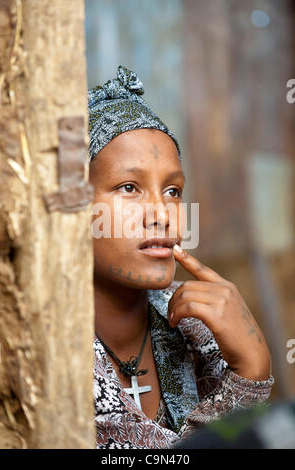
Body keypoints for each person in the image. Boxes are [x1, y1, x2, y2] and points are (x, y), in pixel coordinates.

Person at [88, 65, 274, 449]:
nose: (162, 213)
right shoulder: (39, 344)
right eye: (129, 187)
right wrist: (251, 373)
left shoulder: (196, 326)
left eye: (173, 190)